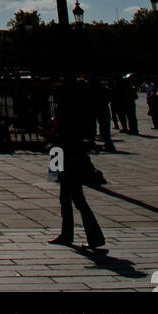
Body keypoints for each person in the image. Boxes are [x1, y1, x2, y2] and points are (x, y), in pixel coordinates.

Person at [49, 81, 107, 254]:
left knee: (73, 199)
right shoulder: (74, 111)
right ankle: (78, 235)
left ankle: (84, 236)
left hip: (67, 157)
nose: (54, 97)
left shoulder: (63, 112)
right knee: (70, 198)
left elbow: (60, 139)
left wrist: (55, 166)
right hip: (70, 156)